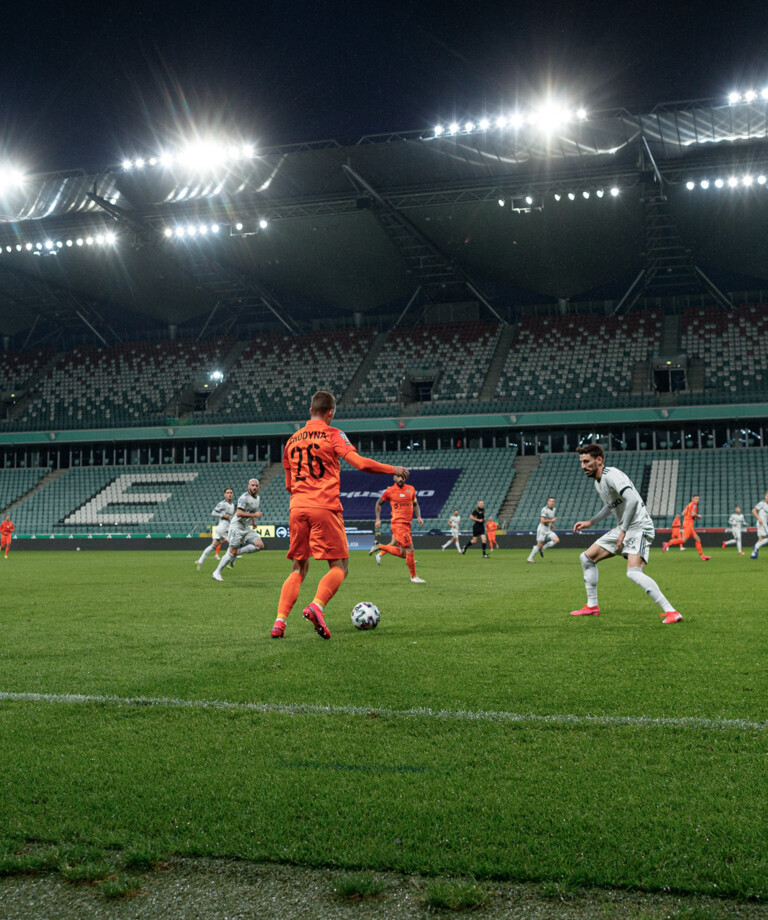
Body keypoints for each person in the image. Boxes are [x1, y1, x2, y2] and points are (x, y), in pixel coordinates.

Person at [271, 390, 408, 639]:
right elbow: (361, 463)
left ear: (310, 410)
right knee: (340, 566)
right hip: (324, 506)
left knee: (298, 568)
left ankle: (279, 623)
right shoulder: (333, 434)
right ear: (331, 412)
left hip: (297, 507)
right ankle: (316, 606)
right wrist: (393, 469)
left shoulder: (291, 442)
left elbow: (288, 486)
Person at [570, 444, 682, 624]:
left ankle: (671, 612)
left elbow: (632, 500)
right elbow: (611, 506)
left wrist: (623, 530)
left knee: (633, 572)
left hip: (639, 526)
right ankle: (592, 606)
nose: (583, 465)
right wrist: (591, 522)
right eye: (581, 462)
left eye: (586, 461)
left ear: (599, 460)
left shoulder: (612, 475)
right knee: (587, 558)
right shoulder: (599, 483)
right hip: (625, 527)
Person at [369, 473, 425, 583]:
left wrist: (418, 516)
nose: (400, 479)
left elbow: (415, 504)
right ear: (394, 478)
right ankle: (413, 577)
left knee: (404, 553)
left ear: (405, 478)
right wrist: (378, 519)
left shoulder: (411, 489)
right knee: (410, 549)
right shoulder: (390, 491)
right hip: (398, 524)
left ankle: (380, 546)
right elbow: (378, 503)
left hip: (407, 524)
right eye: (398, 477)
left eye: (402, 477)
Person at [212, 479, 264, 581]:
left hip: (246, 527)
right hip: (236, 526)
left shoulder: (257, 498)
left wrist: (253, 521)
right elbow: (239, 513)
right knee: (231, 551)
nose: (254, 487)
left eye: (256, 486)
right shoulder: (243, 498)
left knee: (259, 545)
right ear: (248, 486)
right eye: (252, 485)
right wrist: (255, 515)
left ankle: (238, 552)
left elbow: (252, 510)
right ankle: (216, 572)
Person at [662, 494, 711, 561]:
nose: (697, 500)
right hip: (688, 525)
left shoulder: (689, 505)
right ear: (692, 499)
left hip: (687, 524)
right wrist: (698, 516)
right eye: (696, 499)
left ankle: (702, 556)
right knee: (683, 540)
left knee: (697, 539)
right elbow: (693, 514)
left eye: (698, 499)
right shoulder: (694, 505)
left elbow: (683, 513)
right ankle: (667, 544)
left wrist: (689, 517)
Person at [196, 487, 234, 571]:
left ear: (233, 494)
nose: (229, 494)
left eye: (231, 492)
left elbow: (230, 517)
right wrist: (222, 515)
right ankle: (228, 562)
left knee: (213, 546)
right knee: (233, 544)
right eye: (227, 493)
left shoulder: (232, 505)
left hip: (223, 528)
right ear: (225, 494)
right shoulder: (222, 503)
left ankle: (200, 561)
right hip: (223, 529)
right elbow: (213, 512)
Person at [526, 497, 559, 563]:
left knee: (556, 540)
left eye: (553, 501)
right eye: (550, 501)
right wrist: (551, 520)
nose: (551, 502)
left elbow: (549, 518)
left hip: (548, 529)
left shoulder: (554, 509)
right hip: (542, 529)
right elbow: (542, 520)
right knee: (539, 544)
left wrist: (551, 524)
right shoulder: (544, 509)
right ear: (547, 502)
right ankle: (530, 558)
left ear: (554, 503)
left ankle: (543, 548)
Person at [750, 491, 768, 559]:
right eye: (767, 496)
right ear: (765, 496)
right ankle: (756, 546)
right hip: (761, 523)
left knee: (761, 538)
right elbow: (753, 511)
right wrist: (759, 519)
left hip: (765, 523)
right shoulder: (762, 503)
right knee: (763, 538)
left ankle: (753, 555)